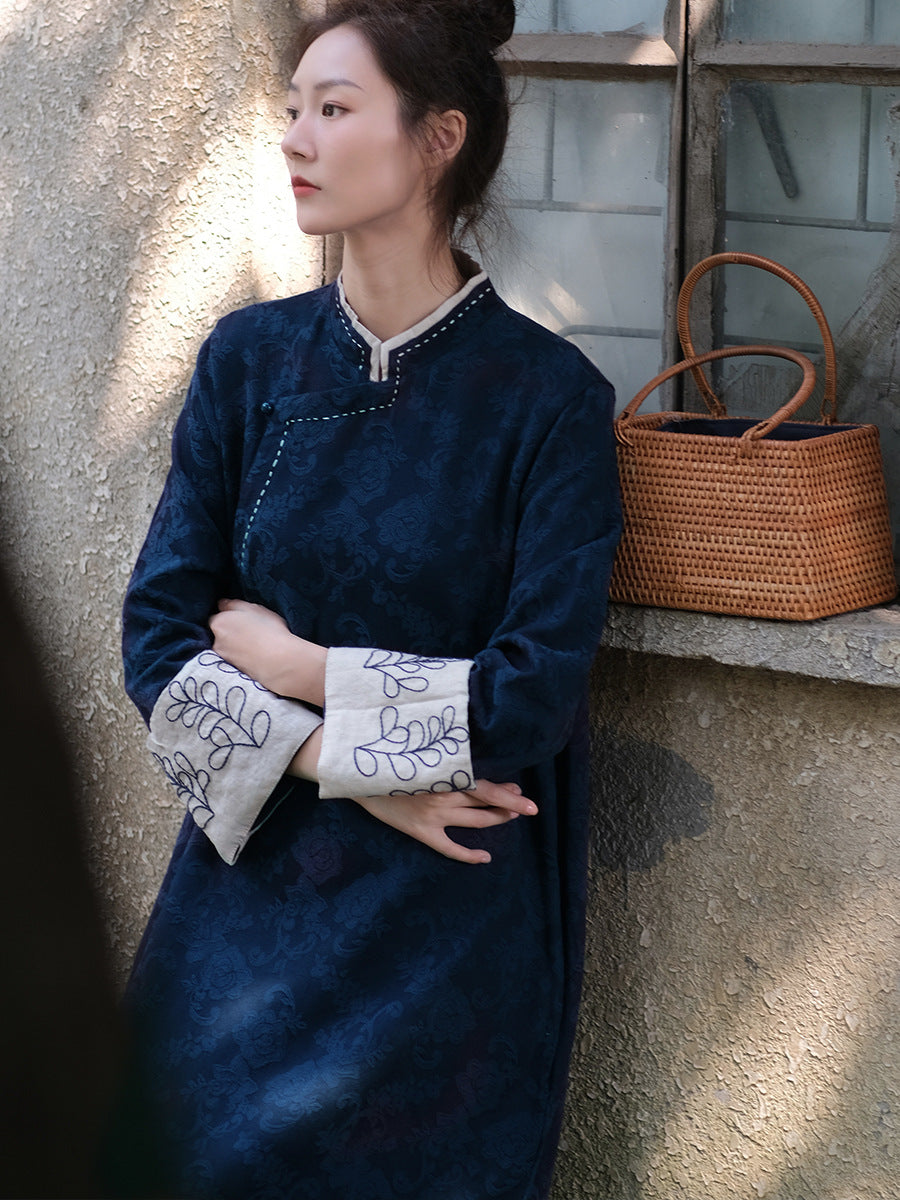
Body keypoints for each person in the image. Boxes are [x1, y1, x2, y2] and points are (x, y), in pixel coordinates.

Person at [120, 1, 621, 1196]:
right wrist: (346, 765)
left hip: (450, 934)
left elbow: (526, 704)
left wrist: (298, 667)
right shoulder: (248, 364)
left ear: (439, 137)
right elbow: (157, 644)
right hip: (246, 907)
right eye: (292, 109)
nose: (296, 137)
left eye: (333, 109)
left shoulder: (549, 403)